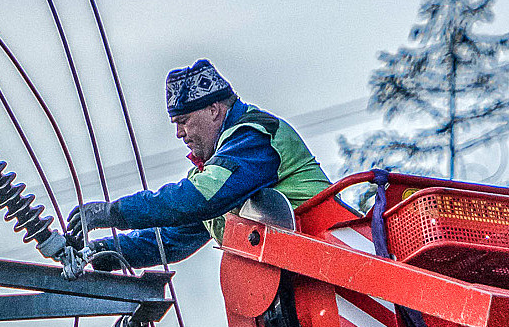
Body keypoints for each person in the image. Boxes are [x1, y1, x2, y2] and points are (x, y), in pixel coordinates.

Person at [68, 60, 330, 270]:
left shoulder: (255, 135)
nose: (179, 134)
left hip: (335, 255)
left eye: (183, 120)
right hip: (300, 277)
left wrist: (113, 213)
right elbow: (170, 241)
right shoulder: (215, 172)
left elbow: (200, 198)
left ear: (214, 110)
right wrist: (105, 251)